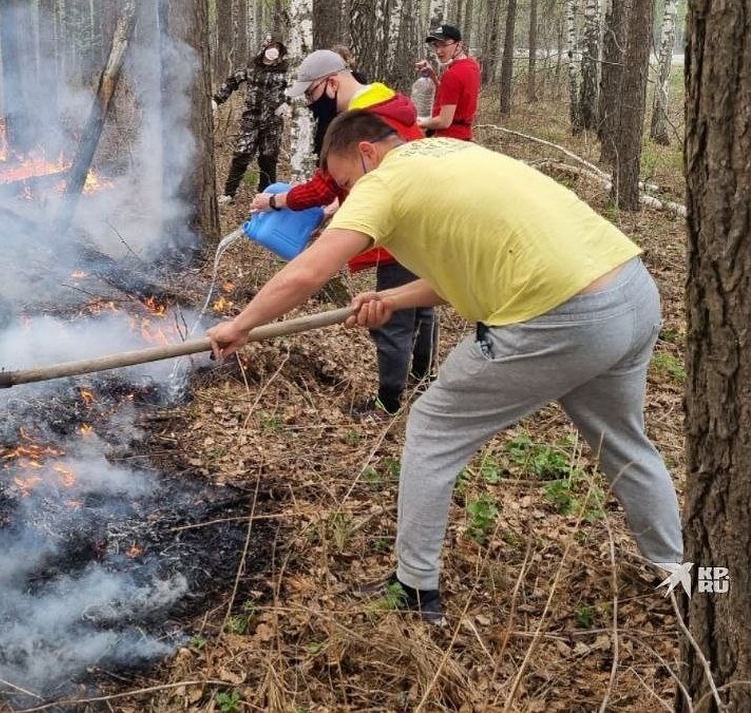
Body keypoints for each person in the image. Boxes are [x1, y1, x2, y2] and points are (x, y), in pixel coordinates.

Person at [208, 112, 684, 623]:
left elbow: (311, 268)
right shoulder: (449, 154)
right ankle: (684, 574)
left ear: (366, 152)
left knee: (432, 427)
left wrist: (242, 324)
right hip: (629, 292)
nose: (347, 194)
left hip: (560, 316)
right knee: (625, 443)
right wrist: (392, 296)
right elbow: (477, 263)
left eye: (344, 181)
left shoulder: (385, 180)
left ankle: (414, 590)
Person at [255, 49, 437, 417]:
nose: (310, 104)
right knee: (421, 307)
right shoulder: (390, 106)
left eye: (311, 94)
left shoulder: (362, 120)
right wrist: (343, 198)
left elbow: (322, 187)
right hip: (424, 220)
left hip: (397, 227)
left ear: (332, 83)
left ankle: (387, 405)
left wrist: (275, 202)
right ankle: (423, 379)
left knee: (391, 315)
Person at [213, 37, 290, 204]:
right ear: (264, 47)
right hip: (251, 119)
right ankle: (228, 194)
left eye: (277, 48)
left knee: (268, 158)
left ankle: (266, 195)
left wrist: (286, 103)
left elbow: (294, 89)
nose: (274, 51)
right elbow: (232, 81)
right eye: (271, 46)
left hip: (273, 121)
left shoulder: (284, 70)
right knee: (242, 154)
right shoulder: (251, 67)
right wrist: (217, 100)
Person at [420, 24, 480, 140]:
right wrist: (433, 76)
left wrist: (419, 123)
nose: (438, 51)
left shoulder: (452, 74)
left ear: (459, 45)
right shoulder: (472, 66)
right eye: (436, 45)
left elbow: (444, 121)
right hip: (464, 136)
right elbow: (452, 95)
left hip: (447, 140)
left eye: (444, 45)